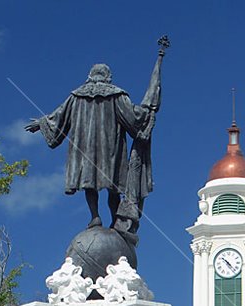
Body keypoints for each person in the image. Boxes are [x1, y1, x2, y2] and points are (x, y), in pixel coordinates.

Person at [26, 63, 154, 230]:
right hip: (110, 149)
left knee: (89, 183)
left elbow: (59, 116)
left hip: (85, 149)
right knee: (113, 186)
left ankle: (95, 216)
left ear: (90, 76)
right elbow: (133, 117)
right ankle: (115, 219)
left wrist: (42, 123)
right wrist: (147, 114)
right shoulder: (116, 95)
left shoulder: (77, 96)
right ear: (107, 76)